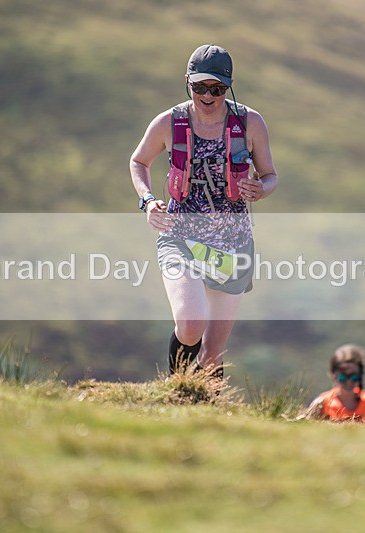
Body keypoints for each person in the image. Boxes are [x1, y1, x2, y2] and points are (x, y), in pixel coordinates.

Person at [129, 44, 278, 379]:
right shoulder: (169, 122)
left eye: (217, 89)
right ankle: (178, 389)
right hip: (180, 238)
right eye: (200, 87)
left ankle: (207, 414)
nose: (208, 96)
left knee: (211, 356)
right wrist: (148, 200)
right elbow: (138, 161)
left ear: (229, 86)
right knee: (191, 325)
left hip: (234, 245)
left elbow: (270, 175)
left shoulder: (250, 123)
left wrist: (262, 188)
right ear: (187, 82)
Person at [299, 344, 365, 422]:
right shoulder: (322, 403)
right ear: (332, 375)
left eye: (354, 377)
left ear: (361, 376)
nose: (349, 381)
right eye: (343, 377)